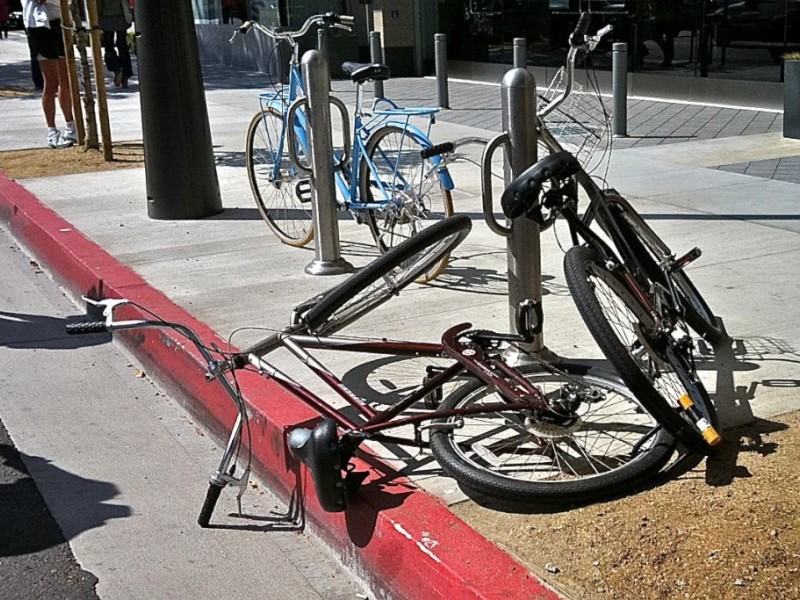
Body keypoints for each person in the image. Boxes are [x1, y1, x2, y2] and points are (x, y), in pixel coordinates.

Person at [23, 0, 76, 149]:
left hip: (62, 22)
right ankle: (52, 130)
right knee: (51, 82)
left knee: (65, 80)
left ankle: (70, 126)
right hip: (40, 26)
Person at [98, 0, 133, 87]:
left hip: (107, 16)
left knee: (109, 46)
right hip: (122, 15)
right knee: (122, 45)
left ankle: (116, 68)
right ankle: (125, 75)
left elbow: (98, 3)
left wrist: (97, 18)